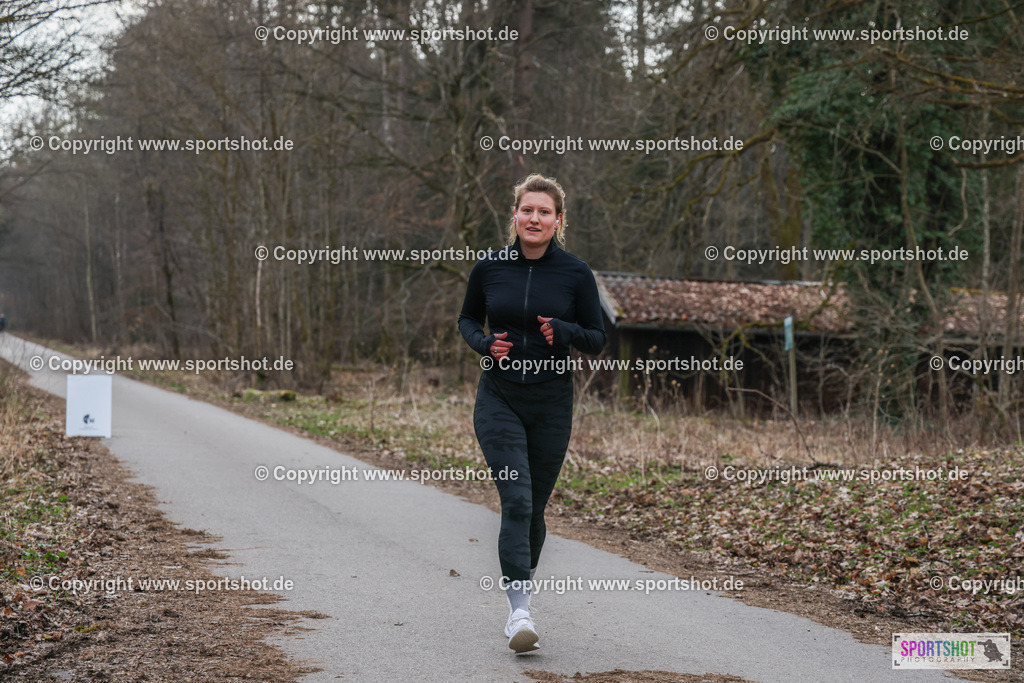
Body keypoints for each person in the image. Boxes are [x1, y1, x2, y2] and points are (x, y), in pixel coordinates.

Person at [458, 173, 606, 653]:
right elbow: (466, 318)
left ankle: (520, 588)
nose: (534, 218)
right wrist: (484, 343)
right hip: (498, 397)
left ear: (558, 221)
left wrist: (563, 330)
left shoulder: (576, 274)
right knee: (517, 502)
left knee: (535, 510)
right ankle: (519, 612)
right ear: (515, 216)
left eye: (544, 212)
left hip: (551, 403)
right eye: (527, 210)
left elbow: (597, 339)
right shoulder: (489, 268)